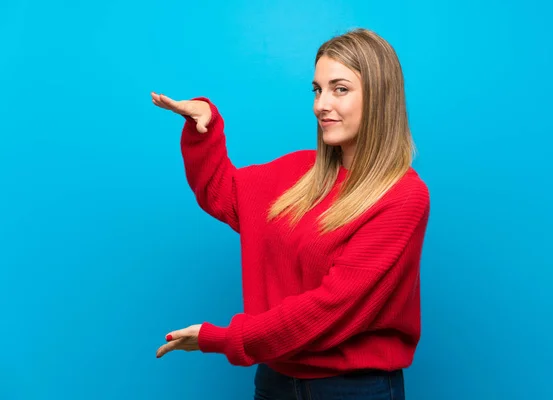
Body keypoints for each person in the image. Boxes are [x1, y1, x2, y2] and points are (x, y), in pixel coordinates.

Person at [152, 28, 430, 400]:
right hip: (275, 383)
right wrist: (204, 128)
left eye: (340, 89)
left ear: (379, 97)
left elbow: (328, 309)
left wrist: (222, 338)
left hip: (353, 390)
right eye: (317, 90)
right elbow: (223, 194)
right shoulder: (300, 173)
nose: (321, 105)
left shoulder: (402, 197)